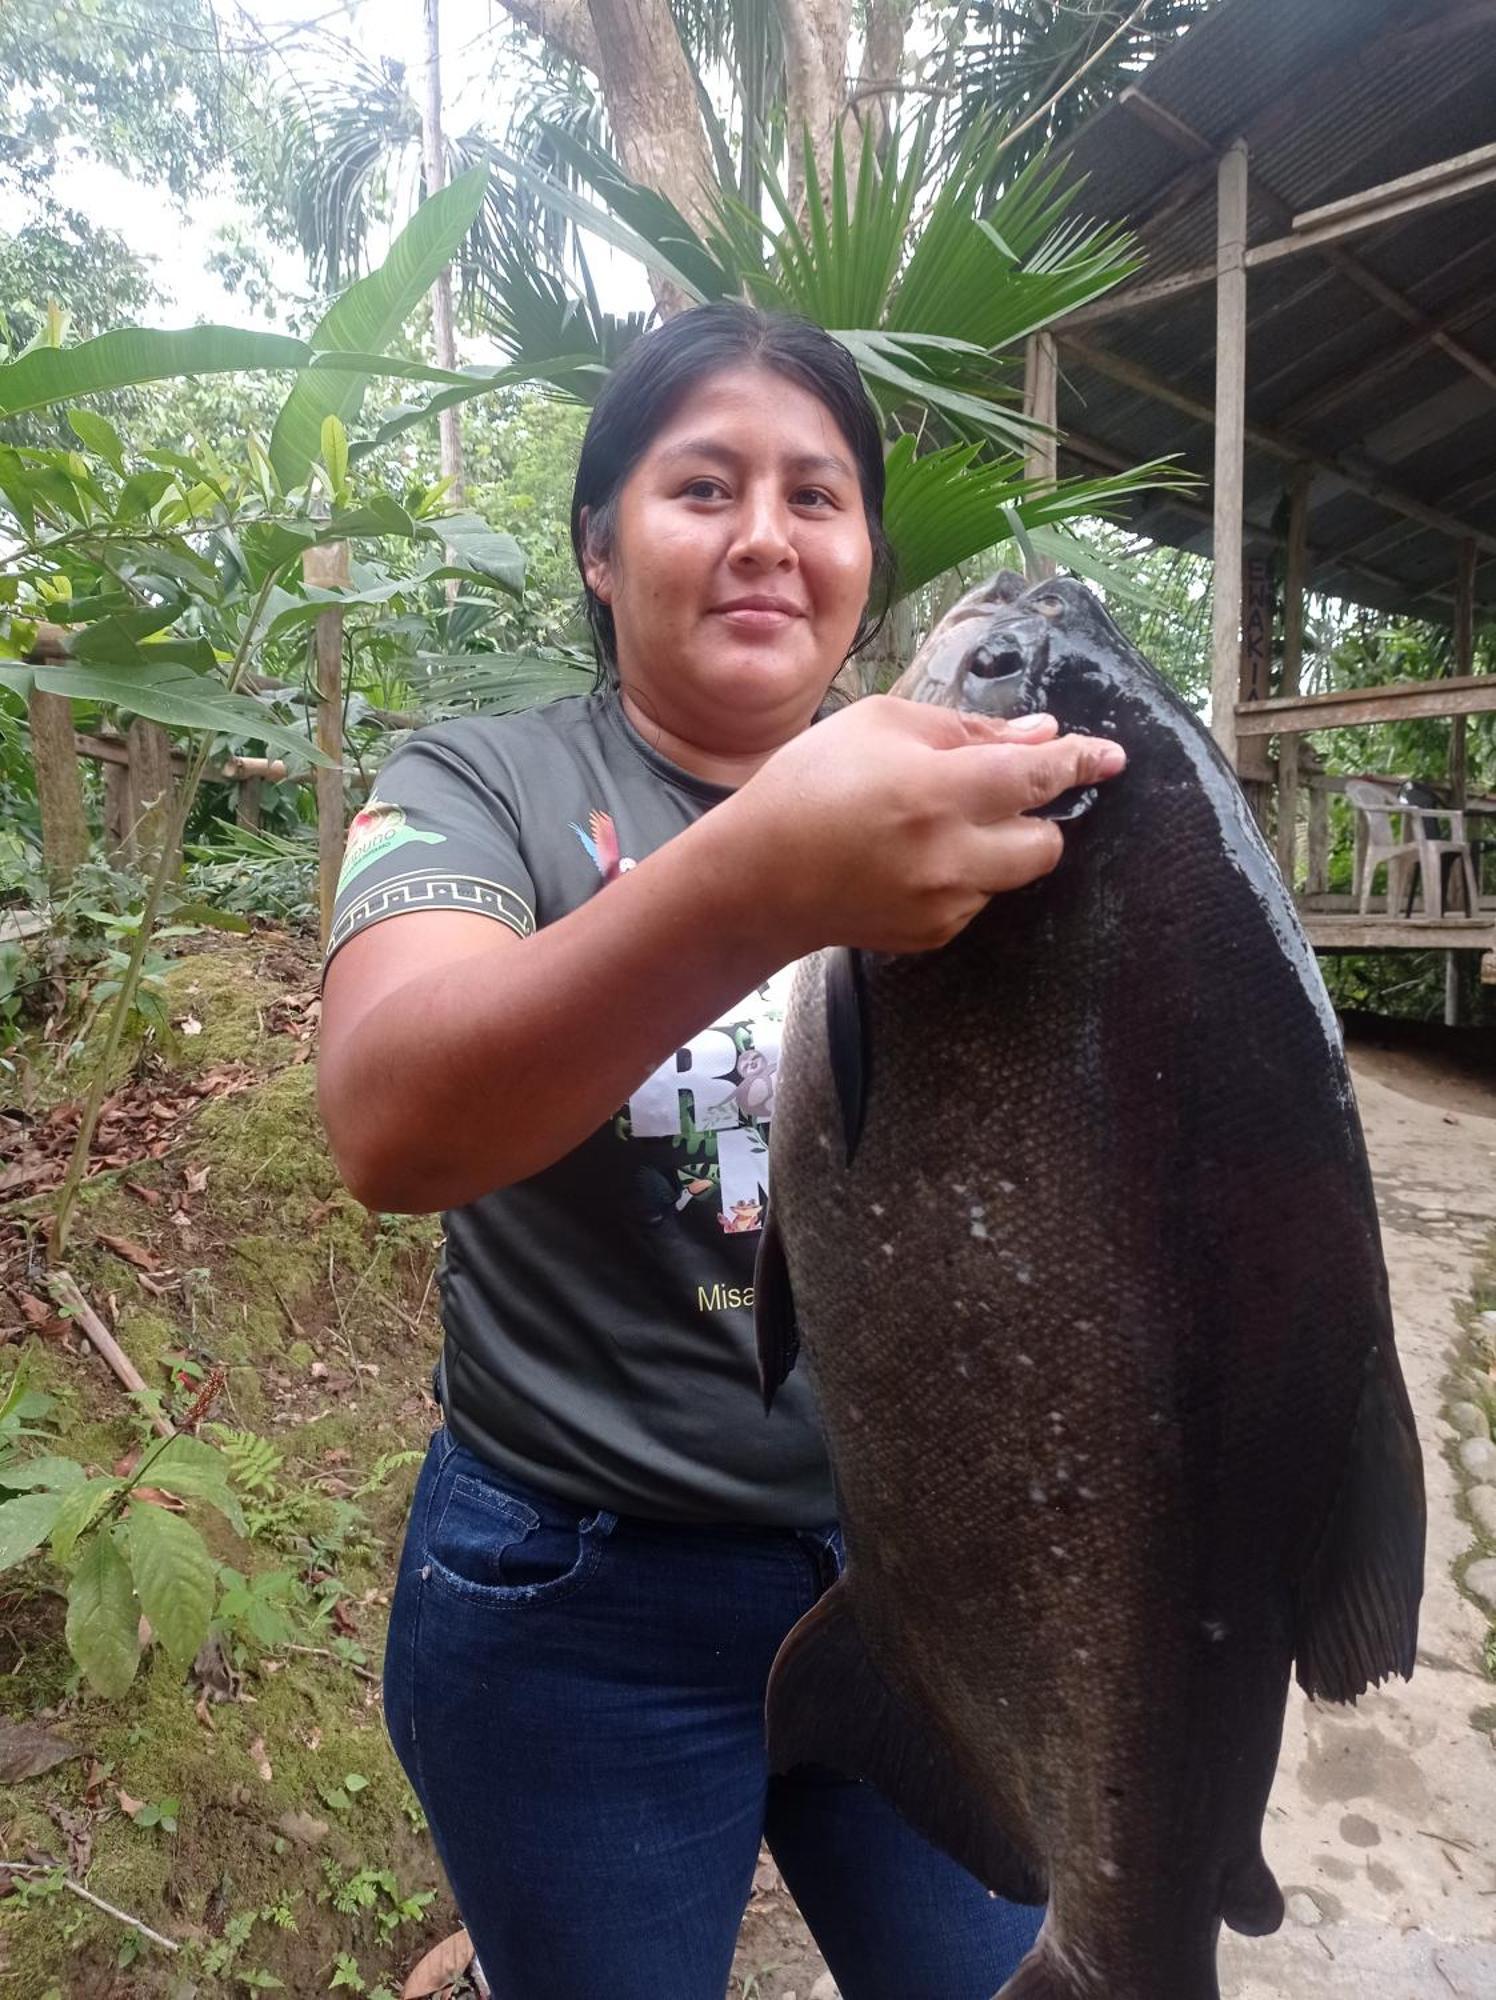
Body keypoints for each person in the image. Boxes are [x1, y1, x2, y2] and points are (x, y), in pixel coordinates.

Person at [317, 302, 1125, 2000]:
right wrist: (768, 879)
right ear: (601, 550)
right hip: (575, 1601)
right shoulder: (484, 781)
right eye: (702, 488)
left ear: (866, 562)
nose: (765, 535)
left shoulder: (995, 807)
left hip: (935, 1581)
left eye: (816, 496)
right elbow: (388, 1116)